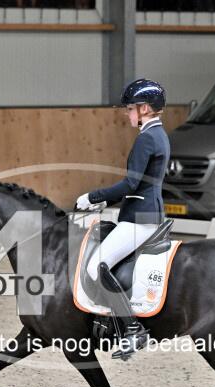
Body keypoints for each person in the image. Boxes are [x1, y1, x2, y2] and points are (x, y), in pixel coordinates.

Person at [76, 78, 170, 360]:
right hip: (144, 211)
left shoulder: (146, 138)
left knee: (97, 265)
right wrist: (107, 201)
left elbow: (131, 183)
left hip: (139, 218)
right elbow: (141, 184)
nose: (127, 114)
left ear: (144, 108)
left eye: (130, 109)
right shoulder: (159, 134)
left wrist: (93, 196)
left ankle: (132, 328)